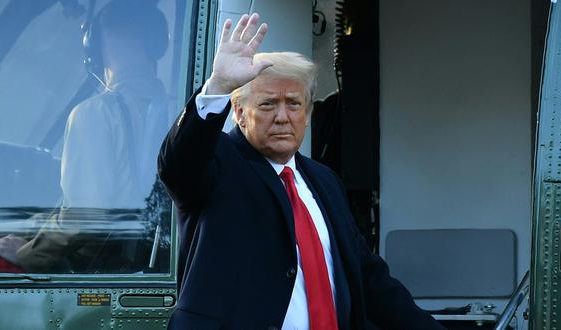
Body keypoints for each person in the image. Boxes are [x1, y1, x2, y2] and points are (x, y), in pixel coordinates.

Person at [158, 13, 445, 330]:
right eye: (268, 104)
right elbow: (179, 166)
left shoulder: (324, 180)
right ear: (239, 112)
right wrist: (219, 86)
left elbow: (367, 277)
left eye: (293, 103)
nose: (282, 117)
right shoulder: (219, 160)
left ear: (307, 113)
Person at [0, 0, 170, 272]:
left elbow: (85, 216)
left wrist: (28, 253)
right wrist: (33, 227)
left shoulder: (95, 113)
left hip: (94, 268)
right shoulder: (173, 110)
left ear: (97, 43)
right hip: (140, 261)